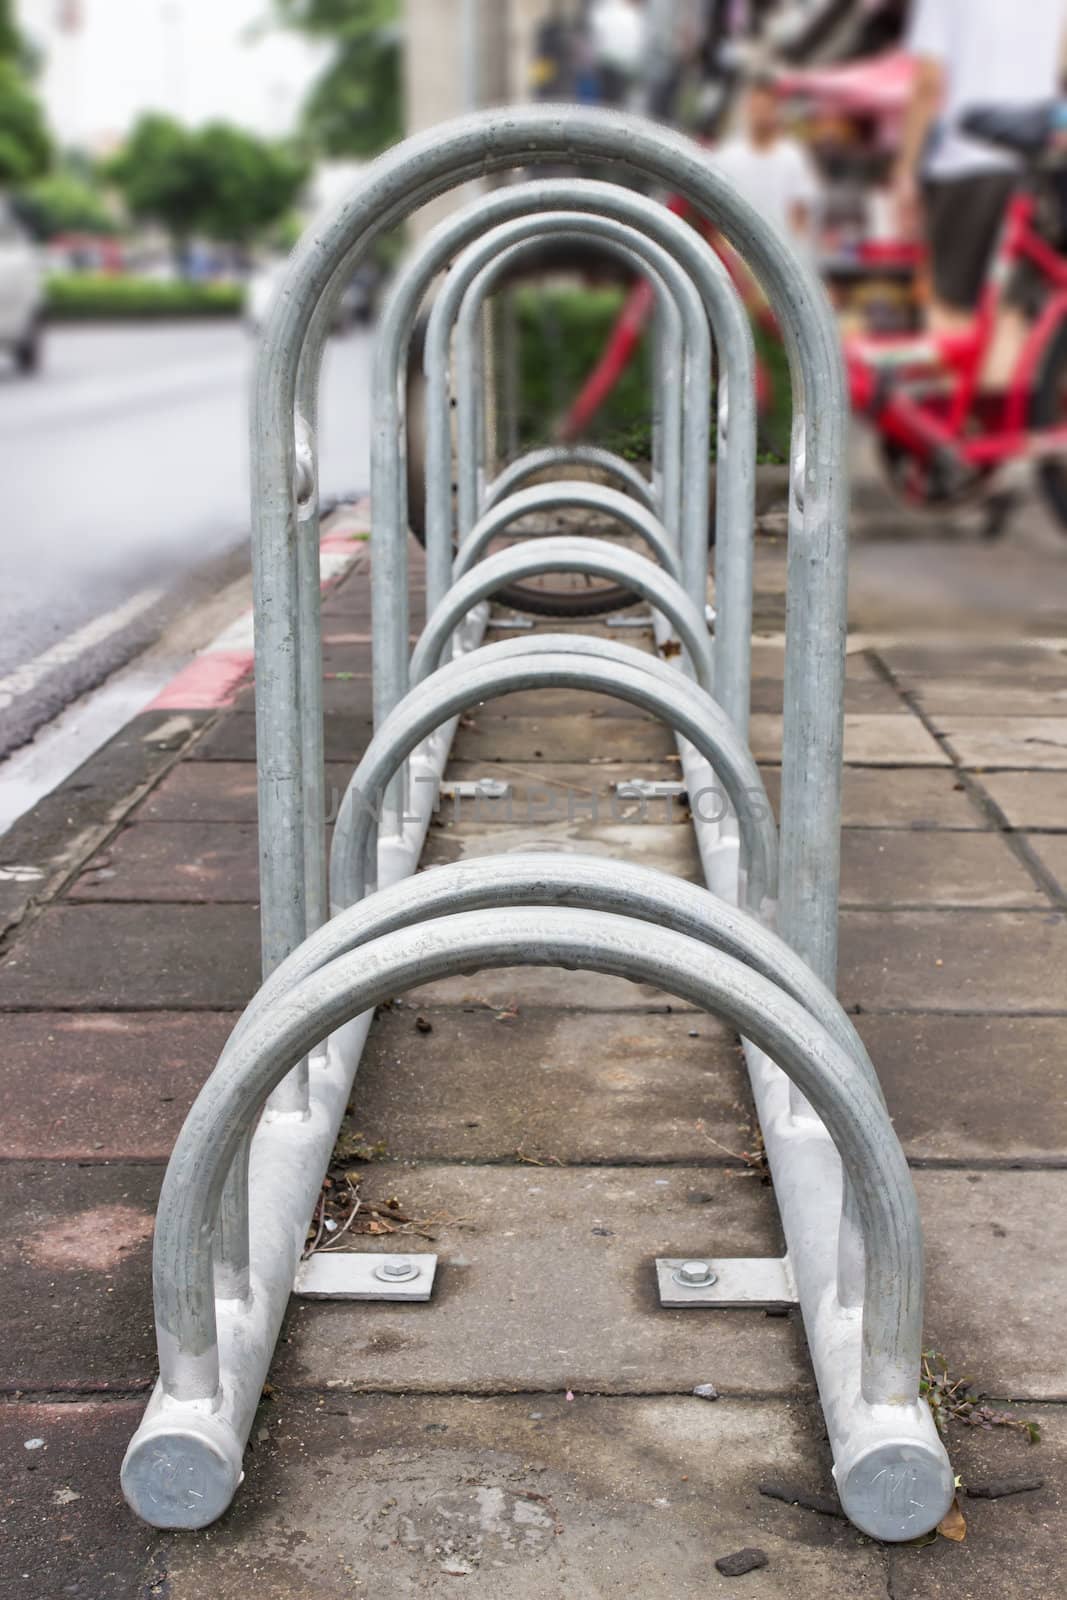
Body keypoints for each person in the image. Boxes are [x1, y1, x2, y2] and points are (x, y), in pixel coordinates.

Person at [894, 0, 1067, 335]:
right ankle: (1013, 387)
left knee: (950, 307)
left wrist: (906, 170)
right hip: (1036, 165)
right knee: (1015, 311)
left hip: (966, 161)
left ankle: (958, 389)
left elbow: (928, 83)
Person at [711, 71, 821, 250]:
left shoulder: (792, 156)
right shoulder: (727, 156)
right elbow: (716, 210)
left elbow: (801, 212)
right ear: (748, 108)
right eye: (756, 107)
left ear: (776, 109)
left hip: (780, 256)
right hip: (738, 256)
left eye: (766, 107)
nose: (761, 114)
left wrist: (792, 250)